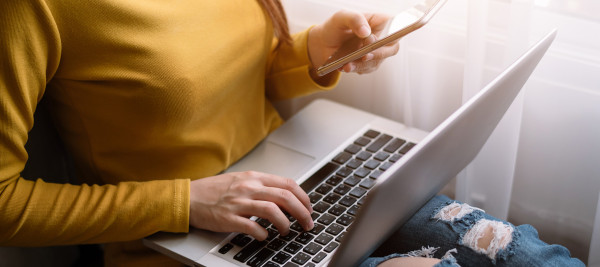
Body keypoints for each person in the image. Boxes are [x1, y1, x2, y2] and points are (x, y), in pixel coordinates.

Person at [0, 0, 585, 266]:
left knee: (529, 255)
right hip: (178, 243)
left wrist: (310, 51)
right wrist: (185, 200)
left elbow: (221, 73)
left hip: (299, 185)